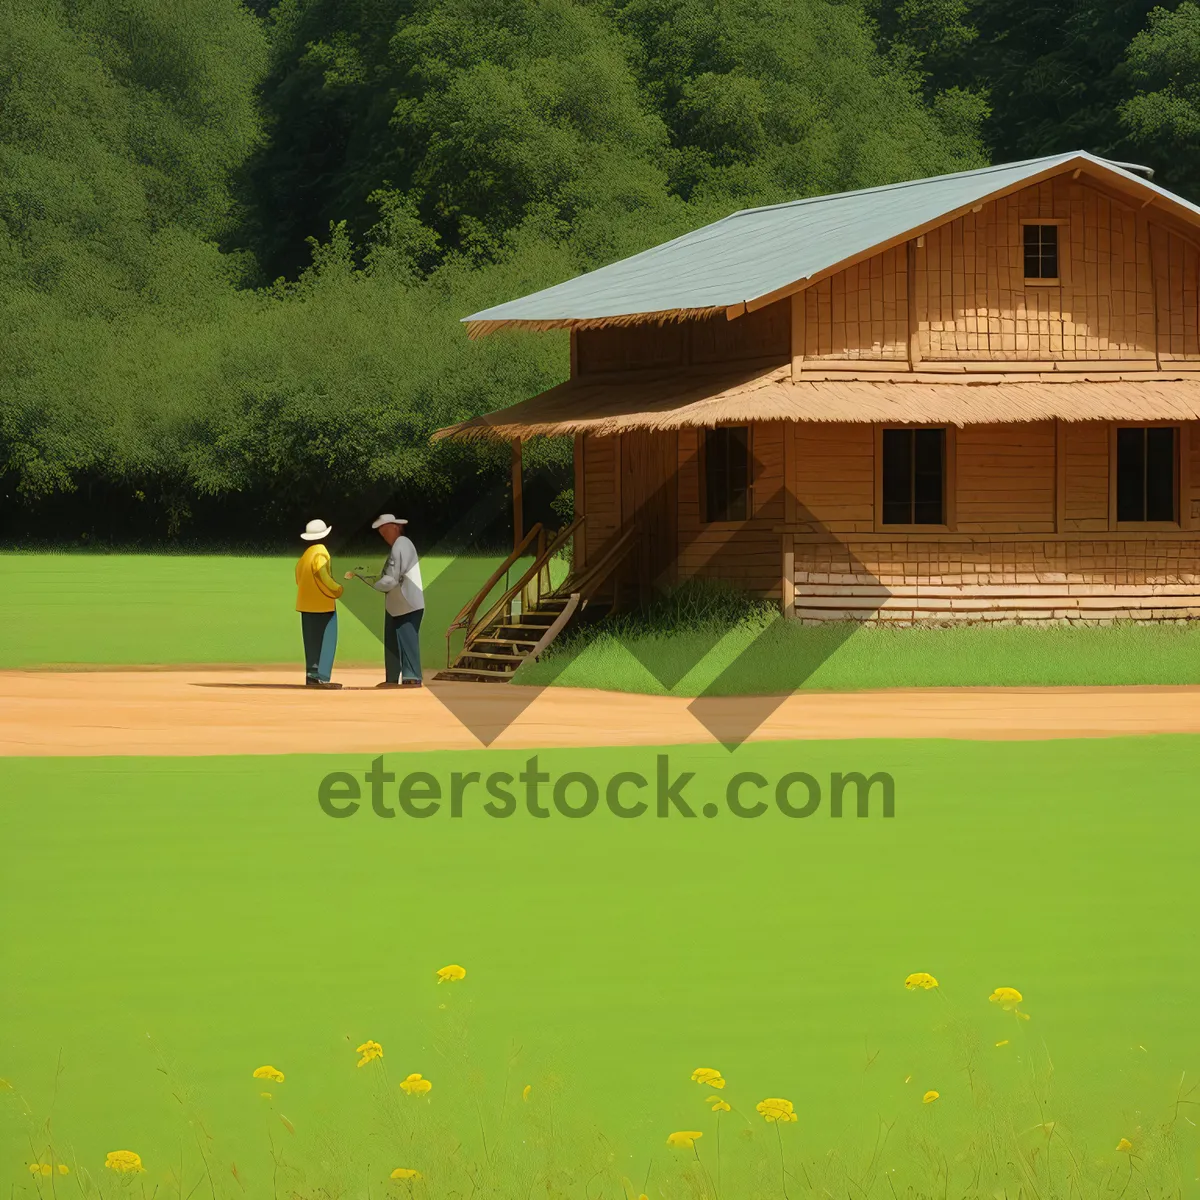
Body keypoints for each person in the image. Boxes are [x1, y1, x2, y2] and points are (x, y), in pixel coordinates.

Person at [346, 514, 424, 688]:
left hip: (406, 603)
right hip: (397, 604)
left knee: (406, 640)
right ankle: (393, 677)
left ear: (395, 527)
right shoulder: (400, 545)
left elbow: (392, 578)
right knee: (392, 642)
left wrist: (371, 581)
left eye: (385, 531)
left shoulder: (401, 544)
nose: (383, 535)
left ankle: (412, 676)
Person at [296, 518, 344, 689]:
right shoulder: (321, 552)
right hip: (323, 605)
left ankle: (311, 675)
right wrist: (337, 589)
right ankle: (322, 677)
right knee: (327, 640)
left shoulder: (305, 556)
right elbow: (322, 574)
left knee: (311, 642)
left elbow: (298, 578)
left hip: (305, 605)